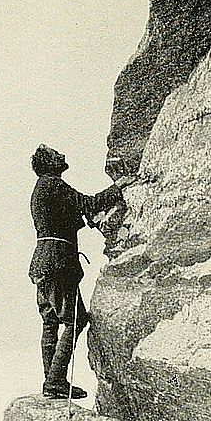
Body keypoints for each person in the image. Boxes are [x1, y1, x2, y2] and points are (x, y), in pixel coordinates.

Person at [29, 143, 130, 399]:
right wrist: (120, 186)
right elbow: (89, 203)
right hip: (58, 262)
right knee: (76, 320)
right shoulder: (54, 184)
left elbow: (74, 213)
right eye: (56, 155)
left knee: (51, 322)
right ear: (48, 163)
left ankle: (52, 382)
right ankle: (55, 382)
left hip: (42, 262)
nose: (62, 156)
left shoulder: (41, 188)